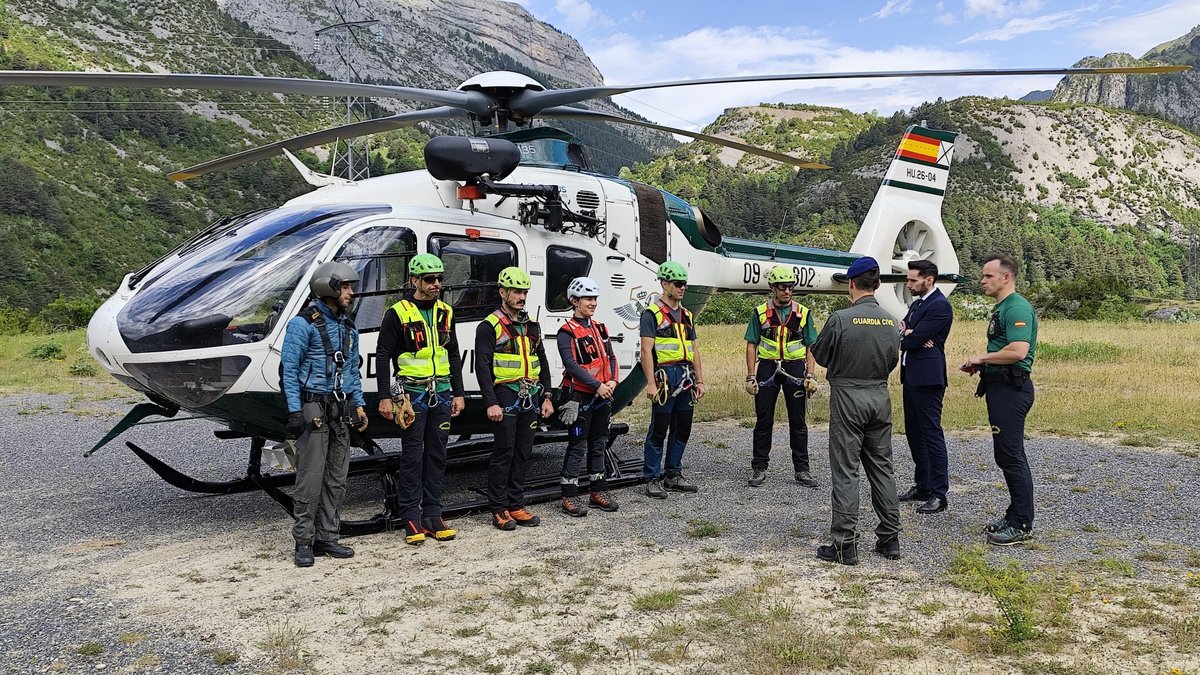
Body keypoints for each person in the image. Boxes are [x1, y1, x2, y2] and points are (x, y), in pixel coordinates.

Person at [809, 256, 902, 565]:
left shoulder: (840, 319)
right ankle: (890, 538)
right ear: (876, 284)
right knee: (881, 467)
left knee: (846, 469)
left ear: (850, 283)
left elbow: (820, 356)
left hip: (848, 396)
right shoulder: (891, 321)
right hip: (879, 395)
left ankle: (844, 544)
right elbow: (892, 362)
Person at [281, 261, 368, 568]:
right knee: (310, 478)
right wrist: (294, 411)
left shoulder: (348, 325)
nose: (351, 292)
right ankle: (303, 540)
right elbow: (289, 372)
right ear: (328, 287)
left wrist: (359, 405)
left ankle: (327, 536)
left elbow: (352, 371)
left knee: (336, 478)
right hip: (313, 408)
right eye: (346, 287)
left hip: (340, 410)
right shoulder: (301, 325)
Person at [375, 253, 466, 545]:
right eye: (430, 279)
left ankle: (434, 514)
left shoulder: (446, 312)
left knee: (438, 455)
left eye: (439, 278)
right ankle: (411, 517)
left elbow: (452, 354)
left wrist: (459, 392)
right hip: (412, 395)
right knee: (413, 455)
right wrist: (384, 397)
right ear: (415, 281)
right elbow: (382, 355)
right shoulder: (398, 313)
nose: (436, 284)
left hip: (441, 393)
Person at [961, 255, 1038, 546]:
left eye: (988, 276)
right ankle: (1014, 514)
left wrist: (982, 357)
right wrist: (984, 365)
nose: (983, 281)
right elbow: (1005, 350)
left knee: (1011, 454)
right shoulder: (1003, 308)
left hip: (1011, 389)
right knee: (1005, 454)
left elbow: (1018, 351)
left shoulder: (1017, 306)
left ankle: (1022, 523)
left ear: (1006, 278)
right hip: (999, 385)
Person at [476, 266, 554, 531]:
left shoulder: (531, 325)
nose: (522, 296)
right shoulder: (489, 326)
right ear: (503, 292)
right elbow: (482, 366)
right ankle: (499, 509)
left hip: (531, 395)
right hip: (505, 394)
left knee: (523, 452)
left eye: (524, 292)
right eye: (516, 291)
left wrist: (547, 395)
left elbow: (541, 360)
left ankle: (516, 504)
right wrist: (490, 402)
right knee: (504, 452)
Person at [743, 266, 820, 488]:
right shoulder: (759, 313)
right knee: (763, 420)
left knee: (798, 421)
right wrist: (750, 376)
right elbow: (752, 344)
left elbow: (810, 345)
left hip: (794, 370)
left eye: (790, 286)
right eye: (782, 287)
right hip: (767, 369)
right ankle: (759, 467)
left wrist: (811, 375)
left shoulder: (803, 313)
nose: (787, 291)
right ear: (772, 288)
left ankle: (802, 470)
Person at [641, 260, 707, 498]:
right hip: (665, 379)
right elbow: (646, 351)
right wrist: (650, 383)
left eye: (684, 284)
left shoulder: (688, 315)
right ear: (665, 283)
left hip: (686, 377)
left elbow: (694, 349)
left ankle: (673, 474)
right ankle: (651, 478)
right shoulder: (652, 314)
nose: (682, 288)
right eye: (678, 284)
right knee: (659, 429)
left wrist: (700, 380)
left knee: (682, 429)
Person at [556, 276, 620, 517]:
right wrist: (597, 385)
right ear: (575, 301)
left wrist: (613, 380)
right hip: (580, 399)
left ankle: (598, 490)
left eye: (594, 298)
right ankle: (569, 495)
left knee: (599, 443)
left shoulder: (601, 328)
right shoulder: (567, 331)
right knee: (578, 445)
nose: (592, 303)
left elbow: (611, 357)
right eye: (587, 298)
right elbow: (571, 364)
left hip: (603, 396)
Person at [898, 260, 954, 515]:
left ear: (928, 280)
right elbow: (904, 333)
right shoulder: (919, 304)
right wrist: (910, 333)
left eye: (912, 280)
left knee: (931, 433)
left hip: (928, 378)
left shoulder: (940, 306)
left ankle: (939, 493)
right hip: (911, 375)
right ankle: (922, 484)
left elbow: (914, 338)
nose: (908, 284)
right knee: (914, 433)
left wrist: (912, 334)